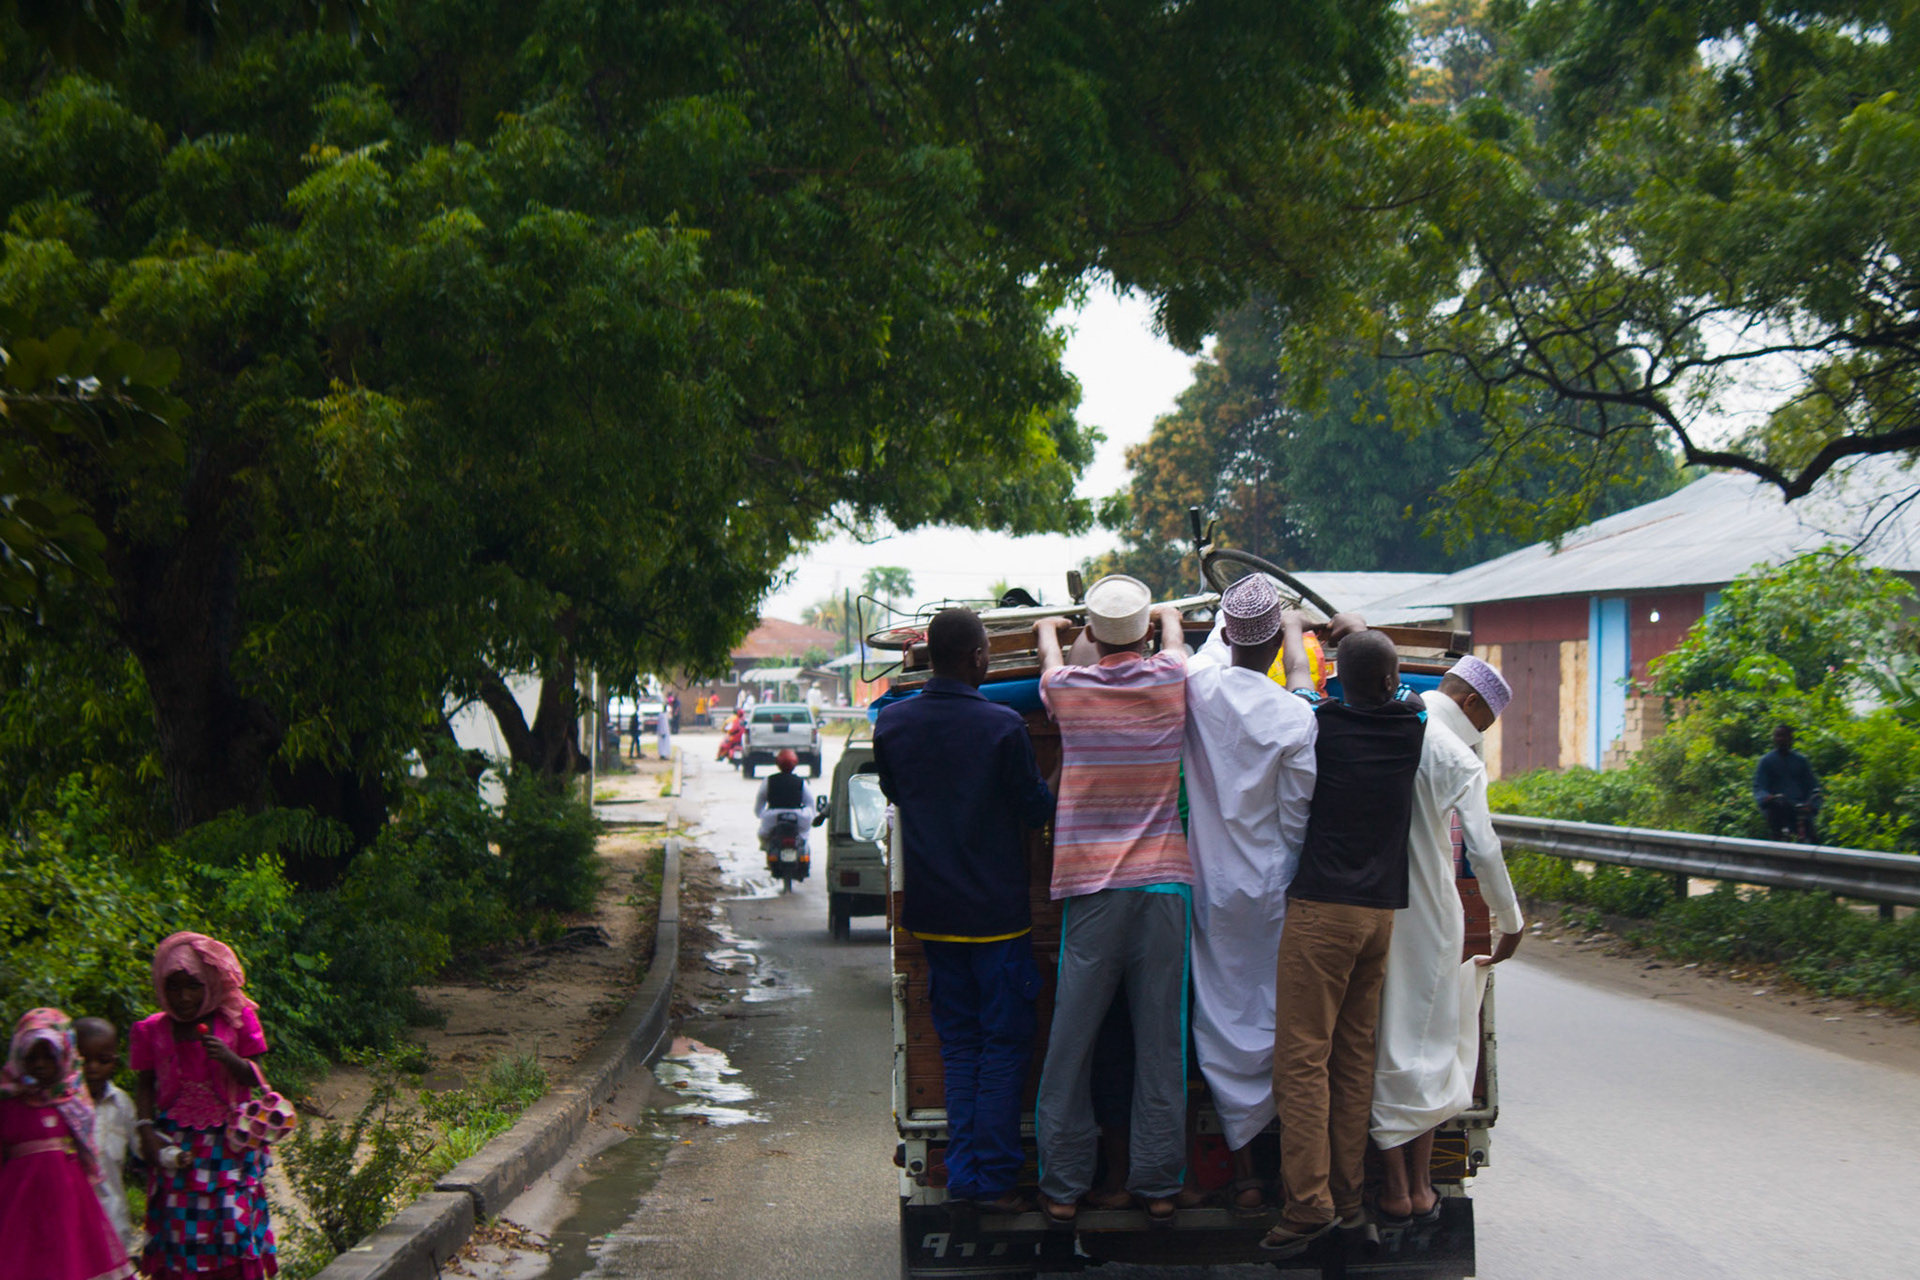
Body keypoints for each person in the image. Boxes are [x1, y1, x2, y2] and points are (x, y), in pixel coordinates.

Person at [874, 606, 1054, 1214]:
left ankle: (967, 1172)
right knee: (1003, 1046)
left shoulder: (892, 726)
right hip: (999, 918)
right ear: (978, 657)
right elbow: (1035, 809)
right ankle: (990, 1177)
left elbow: (898, 797)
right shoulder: (1003, 727)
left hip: (933, 917)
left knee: (959, 1045)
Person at [1262, 613, 1428, 1256]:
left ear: (1339, 683)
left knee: (1303, 1059)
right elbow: (1406, 683)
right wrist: (1358, 629)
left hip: (1321, 914)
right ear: (1389, 679)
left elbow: (1302, 676)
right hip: (1378, 916)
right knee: (1353, 1061)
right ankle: (1351, 1199)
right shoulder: (1412, 726)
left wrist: (1298, 629)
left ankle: (1308, 1205)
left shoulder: (1319, 724)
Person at [1031, 576, 1194, 1225]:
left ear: (1093, 637)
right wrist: (1165, 617)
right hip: (1164, 890)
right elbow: (1177, 636)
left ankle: (1064, 1186)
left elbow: (1048, 643)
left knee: (1071, 1042)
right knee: (1161, 1043)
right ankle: (1158, 1185)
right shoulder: (1173, 681)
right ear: (1148, 633)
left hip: (1092, 894)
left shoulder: (1069, 691)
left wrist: (1062, 628)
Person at [1179, 575, 1320, 1212]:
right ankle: (1291, 1169)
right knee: (1279, 1021)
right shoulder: (1294, 716)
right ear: (1272, 648)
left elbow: (1205, 648)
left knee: (1218, 1017)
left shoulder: (1198, 686)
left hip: (1210, 884)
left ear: (1229, 636)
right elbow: (1297, 817)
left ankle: (1244, 1177)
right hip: (1271, 887)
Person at [1372, 657, 1526, 1227]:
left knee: (1388, 1040)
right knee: (1431, 1046)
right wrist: (1510, 921)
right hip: (1433, 912)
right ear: (1471, 705)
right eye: (1485, 721)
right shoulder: (1456, 754)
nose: (1481, 734)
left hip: (1372, 903)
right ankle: (1415, 1186)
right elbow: (1483, 850)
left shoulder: (1383, 722)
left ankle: (1395, 1185)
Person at [132, 932, 278, 1280]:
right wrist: (145, 1129)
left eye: (192, 986)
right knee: (178, 1229)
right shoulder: (152, 1030)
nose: (183, 997)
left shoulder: (236, 1020)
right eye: (174, 988)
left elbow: (254, 1076)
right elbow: (144, 1082)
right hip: (176, 1148)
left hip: (229, 1147)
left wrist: (228, 1058)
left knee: (231, 1223)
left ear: (210, 982)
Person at [0, 1008, 136, 1280]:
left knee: (70, 1260)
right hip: (17, 1203)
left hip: (67, 1199)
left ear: (64, 1057)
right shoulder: (8, 1105)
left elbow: (88, 1155)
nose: (40, 1064)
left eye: (48, 1056)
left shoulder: (73, 1105)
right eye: (32, 1056)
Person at [76, 1017, 140, 1253]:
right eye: (84, 1061)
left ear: (114, 1061)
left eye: (102, 1060)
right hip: (69, 1224)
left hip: (112, 1221)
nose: (92, 1068)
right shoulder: (58, 1107)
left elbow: (144, 1147)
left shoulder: (121, 1104)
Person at [1754, 724, 1821, 841]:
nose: (1781, 739)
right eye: (1778, 736)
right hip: (1777, 806)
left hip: (1799, 807)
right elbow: (1759, 786)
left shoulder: (1800, 761)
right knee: (1777, 830)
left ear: (1791, 738)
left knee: (1811, 836)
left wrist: (1812, 805)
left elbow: (1813, 786)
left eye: (1784, 736)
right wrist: (1767, 797)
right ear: (1774, 739)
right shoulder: (1766, 761)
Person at [755, 748, 814, 853]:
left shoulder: (768, 781)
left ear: (777, 763)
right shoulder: (801, 782)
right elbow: (810, 803)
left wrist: (761, 815)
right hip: (798, 817)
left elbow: (760, 803)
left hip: (772, 817)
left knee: (762, 835)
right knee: (804, 836)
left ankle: (768, 849)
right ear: (796, 763)